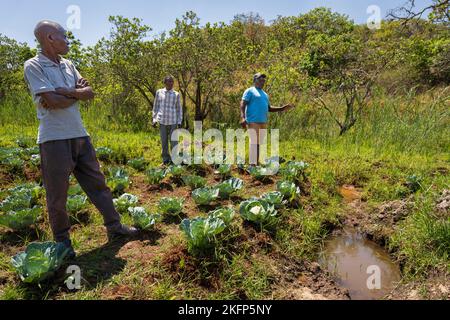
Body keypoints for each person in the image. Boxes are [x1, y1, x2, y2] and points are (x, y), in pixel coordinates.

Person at [23, 20, 138, 259]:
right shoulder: (33, 65)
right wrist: (75, 94)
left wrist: (68, 92)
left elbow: (89, 93)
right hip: (54, 138)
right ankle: (63, 242)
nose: (68, 40)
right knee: (57, 194)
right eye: (63, 36)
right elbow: (52, 103)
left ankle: (114, 226)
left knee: (98, 184)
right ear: (50, 38)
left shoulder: (68, 64)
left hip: (80, 134)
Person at [240, 73, 295, 165]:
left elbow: (269, 108)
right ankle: (252, 165)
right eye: (260, 80)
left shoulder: (265, 94)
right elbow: (243, 103)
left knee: (258, 143)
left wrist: (282, 108)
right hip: (253, 120)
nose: (262, 82)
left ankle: (255, 163)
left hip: (263, 121)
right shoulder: (250, 91)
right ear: (254, 80)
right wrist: (242, 117)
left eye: (263, 81)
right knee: (254, 142)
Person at [152, 75, 183, 166]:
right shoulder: (159, 92)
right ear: (164, 83)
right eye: (169, 82)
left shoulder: (176, 94)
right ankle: (165, 160)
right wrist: (154, 119)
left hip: (173, 121)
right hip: (162, 121)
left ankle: (175, 160)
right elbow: (156, 106)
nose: (171, 83)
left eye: (172, 82)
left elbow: (179, 109)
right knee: (164, 141)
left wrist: (179, 121)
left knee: (174, 141)